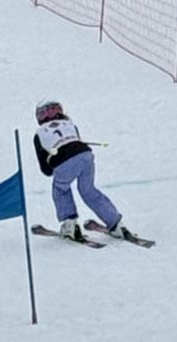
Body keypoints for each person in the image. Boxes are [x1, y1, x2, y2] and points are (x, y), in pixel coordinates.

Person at [33, 99, 130, 241]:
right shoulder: (69, 124)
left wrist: (53, 165)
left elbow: (46, 170)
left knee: (61, 189)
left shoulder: (40, 133)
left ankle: (70, 225)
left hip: (64, 161)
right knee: (88, 190)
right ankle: (116, 224)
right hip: (86, 156)